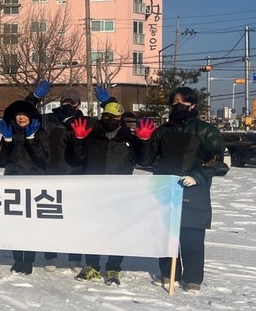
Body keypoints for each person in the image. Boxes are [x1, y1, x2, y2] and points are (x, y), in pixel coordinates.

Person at [143, 87, 228, 293]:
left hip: (193, 190)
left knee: (191, 237)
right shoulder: (162, 131)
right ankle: (169, 273)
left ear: (193, 105)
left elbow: (218, 161)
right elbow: (147, 160)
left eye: (182, 102)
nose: (178, 106)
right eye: (174, 102)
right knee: (165, 235)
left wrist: (197, 176)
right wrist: (143, 141)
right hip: (165, 189)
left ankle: (192, 278)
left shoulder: (205, 130)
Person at [67, 102, 150, 285]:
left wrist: (144, 142)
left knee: (117, 231)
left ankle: (113, 267)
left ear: (120, 119)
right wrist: (79, 140)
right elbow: (78, 159)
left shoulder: (129, 138)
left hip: (120, 193)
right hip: (93, 192)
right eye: (106, 116)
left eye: (114, 117)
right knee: (92, 229)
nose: (109, 119)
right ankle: (92, 266)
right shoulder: (92, 136)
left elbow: (145, 161)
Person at [26, 82, 86, 272]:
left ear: (78, 105)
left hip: (75, 176)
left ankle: (75, 257)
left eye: (72, 102)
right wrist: (34, 98)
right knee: (51, 218)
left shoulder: (84, 122)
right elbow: (24, 114)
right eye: (65, 101)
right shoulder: (48, 120)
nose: (67, 104)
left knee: (75, 220)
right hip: (50, 174)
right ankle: (50, 256)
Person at [0, 99, 48, 275]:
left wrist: (31, 139)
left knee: (31, 223)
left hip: (34, 182)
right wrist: (7, 141)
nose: (21, 117)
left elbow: (44, 159)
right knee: (15, 223)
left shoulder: (40, 133)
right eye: (18, 114)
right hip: (13, 182)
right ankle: (18, 258)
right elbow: (1, 160)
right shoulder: (9, 132)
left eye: (24, 114)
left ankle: (29, 260)